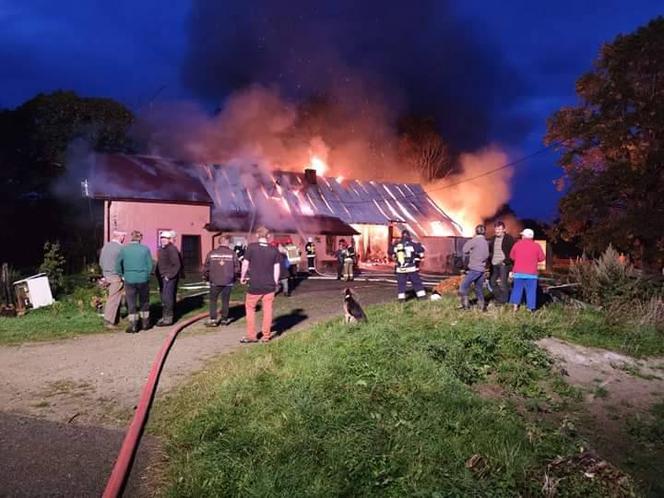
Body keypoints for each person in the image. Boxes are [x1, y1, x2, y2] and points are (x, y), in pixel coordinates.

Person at [240, 226, 281, 343]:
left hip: (255, 285)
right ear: (268, 236)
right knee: (268, 310)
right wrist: (275, 282)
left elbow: (245, 264)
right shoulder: (274, 250)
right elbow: (277, 268)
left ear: (257, 235)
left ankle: (251, 336)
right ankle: (266, 336)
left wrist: (243, 277)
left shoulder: (251, 248)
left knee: (250, 309)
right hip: (269, 286)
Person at [115, 230, 152, 333]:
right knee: (144, 301)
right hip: (143, 278)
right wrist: (146, 275)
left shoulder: (124, 249)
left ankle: (134, 325)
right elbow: (150, 265)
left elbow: (117, 264)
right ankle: (145, 323)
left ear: (131, 237)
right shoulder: (145, 249)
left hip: (129, 278)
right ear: (140, 238)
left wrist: (122, 275)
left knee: (131, 302)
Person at [203, 235, 238, 327]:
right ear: (226, 242)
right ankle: (224, 319)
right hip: (228, 281)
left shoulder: (211, 253)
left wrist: (207, 278)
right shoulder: (232, 253)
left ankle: (213, 319)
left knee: (213, 300)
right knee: (225, 300)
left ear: (220, 242)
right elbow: (237, 268)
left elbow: (206, 267)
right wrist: (234, 278)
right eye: (228, 241)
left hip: (214, 281)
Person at [509, 228, 545, 312]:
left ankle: (515, 308)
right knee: (531, 291)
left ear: (524, 236)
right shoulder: (537, 246)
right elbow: (542, 258)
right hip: (532, 273)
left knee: (517, 289)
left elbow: (511, 256)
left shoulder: (517, 244)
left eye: (522, 235)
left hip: (518, 272)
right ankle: (530, 309)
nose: (521, 236)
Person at [459, 224, 490, 310]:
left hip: (474, 269)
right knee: (478, 288)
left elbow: (465, 250)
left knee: (463, 287)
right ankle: (482, 306)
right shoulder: (485, 242)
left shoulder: (474, 240)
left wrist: (472, 252)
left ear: (476, 232)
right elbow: (486, 255)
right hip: (481, 269)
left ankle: (465, 306)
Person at [99, 230, 125, 329]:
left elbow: (101, 261)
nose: (124, 238)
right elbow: (121, 263)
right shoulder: (120, 248)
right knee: (114, 299)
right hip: (115, 276)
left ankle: (115, 319)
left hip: (107, 275)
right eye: (123, 236)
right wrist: (122, 274)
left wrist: (105, 272)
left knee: (112, 297)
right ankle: (109, 321)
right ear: (121, 237)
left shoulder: (106, 246)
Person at [390, 230, 426, 301]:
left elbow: (390, 251)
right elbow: (421, 249)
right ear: (409, 236)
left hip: (400, 268)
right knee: (416, 282)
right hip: (410, 267)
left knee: (401, 284)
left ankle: (401, 299)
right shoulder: (412, 244)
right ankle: (422, 297)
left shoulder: (397, 245)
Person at [156, 230, 182, 326]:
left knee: (168, 298)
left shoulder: (171, 249)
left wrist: (169, 276)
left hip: (169, 277)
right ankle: (165, 316)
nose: (163, 240)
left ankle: (168, 319)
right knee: (165, 298)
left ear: (169, 239)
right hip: (163, 277)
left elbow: (177, 265)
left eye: (165, 238)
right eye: (161, 238)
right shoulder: (162, 249)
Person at [488, 221, 515, 305]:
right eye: (496, 229)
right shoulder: (492, 239)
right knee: (491, 282)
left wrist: (506, 262)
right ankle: (500, 297)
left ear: (504, 229)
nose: (497, 231)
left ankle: (504, 301)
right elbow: (490, 251)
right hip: (494, 265)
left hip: (503, 265)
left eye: (499, 229)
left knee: (503, 283)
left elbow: (513, 252)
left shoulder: (509, 239)